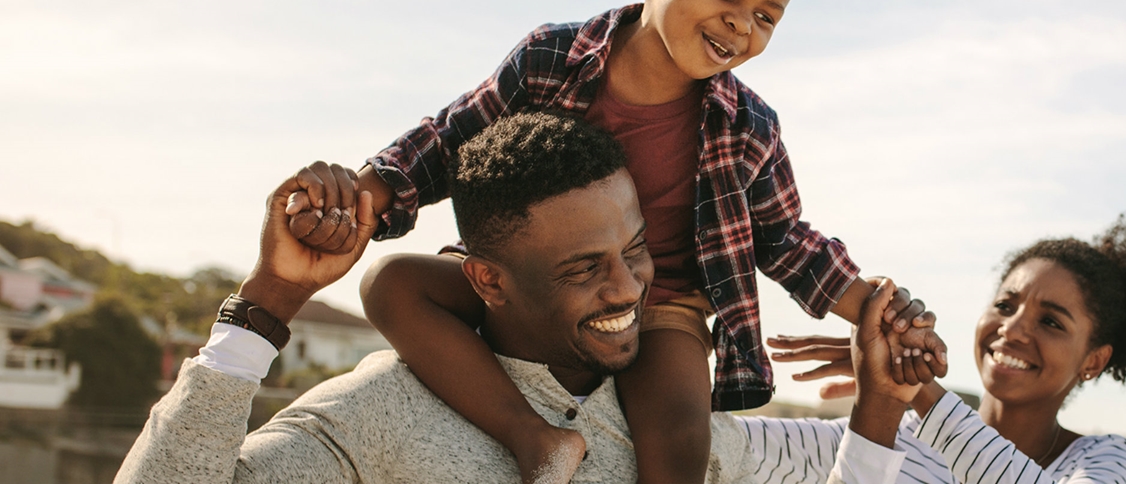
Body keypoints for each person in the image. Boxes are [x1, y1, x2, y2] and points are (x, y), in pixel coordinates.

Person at [276, 0, 943, 482]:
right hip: (532, 284)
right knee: (390, 286)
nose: (743, 25)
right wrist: (355, 196)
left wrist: (876, 310)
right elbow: (451, 141)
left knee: (682, 435)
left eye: (768, 16)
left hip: (662, 306)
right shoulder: (551, 60)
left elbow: (786, 242)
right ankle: (531, 435)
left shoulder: (749, 127)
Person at [115, 113, 763, 484]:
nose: (628, 287)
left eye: (635, 248)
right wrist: (273, 297)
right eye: (583, 267)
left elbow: (840, 464)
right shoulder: (383, 410)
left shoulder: (675, 425)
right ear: (486, 281)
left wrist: (870, 391)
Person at [730, 218, 1126, 484]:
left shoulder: (1105, 461)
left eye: (1051, 321)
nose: (1011, 329)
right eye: (1004, 305)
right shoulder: (892, 432)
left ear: (1094, 359)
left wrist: (918, 392)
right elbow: (702, 444)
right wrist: (880, 400)